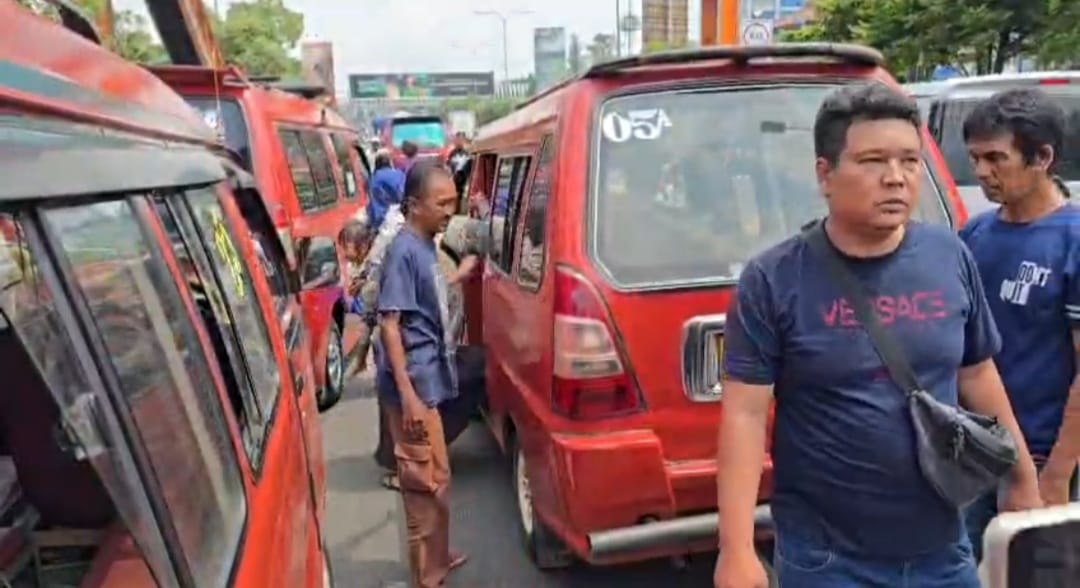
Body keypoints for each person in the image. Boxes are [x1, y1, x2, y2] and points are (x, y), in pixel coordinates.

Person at [712, 82, 1042, 588]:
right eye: (872, 161)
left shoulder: (948, 255)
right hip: (827, 558)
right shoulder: (773, 279)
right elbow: (745, 415)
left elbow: (978, 374)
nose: (896, 178)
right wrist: (735, 549)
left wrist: (1020, 479)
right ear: (825, 174)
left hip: (943, 550)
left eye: (909, 161)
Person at [959, 87, 1080, 561]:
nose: (982, 172)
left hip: (1046, 458)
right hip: (974, 456)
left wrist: (1056, 475)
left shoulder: (1071, 241)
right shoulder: (974, 235)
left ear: (1042, 157)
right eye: (974, 159)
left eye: (996, 158)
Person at [376, 160, 468, 586]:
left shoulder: (426, 243)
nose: (450, 210)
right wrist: (409, 396)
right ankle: (426, 577)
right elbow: (390, 323)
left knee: (438, 481)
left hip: (428, 380)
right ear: (414, 206)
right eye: (441, 203)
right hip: (413, 387)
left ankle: (438, 559)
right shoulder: (402, 251)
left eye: (453, 200)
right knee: (422, 488)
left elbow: (424, 305)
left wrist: (460, 276)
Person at [338, 220, 375, 315]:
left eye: (346, 247)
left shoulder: (376, 265)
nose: (344, 253)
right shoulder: (354, 265)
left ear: (363, 247)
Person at [366, 149, 406, 232]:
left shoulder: (373, 178)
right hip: (398, 220)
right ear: (389, 162)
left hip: (379, 223)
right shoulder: (399, 175)